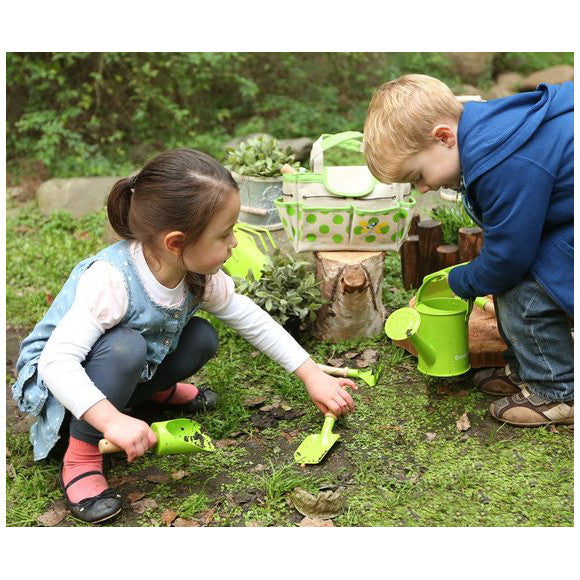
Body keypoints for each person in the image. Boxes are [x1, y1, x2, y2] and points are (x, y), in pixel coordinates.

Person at [12, 148, 357, 523]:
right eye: (225, 235)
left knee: (201, 337)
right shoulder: (111, 280)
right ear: (176, 242)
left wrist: (311, 374)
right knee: (125, 347)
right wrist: (112, 423)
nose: (234, 244)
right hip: (62, 391)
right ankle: (81, 453)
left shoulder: (196, 273)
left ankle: (150, 392)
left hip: (124, 369)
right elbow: (56, 364)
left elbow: (248, 317)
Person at [363, 74, 573, 428]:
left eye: (417, 176)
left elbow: (508, 257)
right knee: (515, 279)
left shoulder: (501, 161)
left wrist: (462, 279)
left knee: (526, 291)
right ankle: (530, 369)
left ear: (444, 137)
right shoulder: (489, 132)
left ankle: (557, 390)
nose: (423, 188)